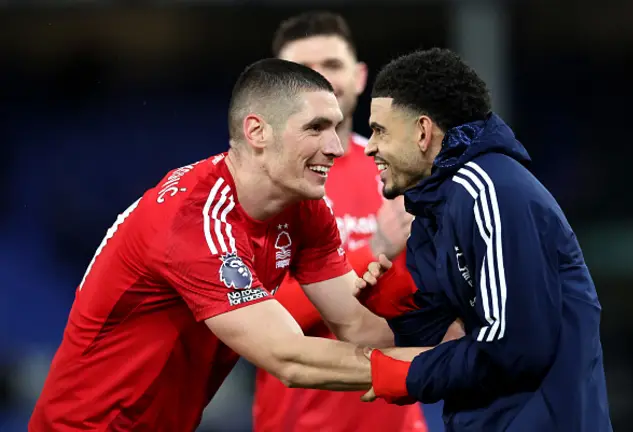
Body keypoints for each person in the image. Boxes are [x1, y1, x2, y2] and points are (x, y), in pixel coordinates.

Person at [28, 58, 397, 432]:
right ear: (256, 131)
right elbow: (290, 359)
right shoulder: (195, 219)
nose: (335, 146)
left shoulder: (306, 210)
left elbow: (357, 325)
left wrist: (444, 342)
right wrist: (427, 371)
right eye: (315, 128)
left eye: (335, 128)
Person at [357, 48, 612, 431]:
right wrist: (404, 307)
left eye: (380, 131)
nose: (370, 147)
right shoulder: (433, 208)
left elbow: (515, 346)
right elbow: (448, 340)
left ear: (423, 132)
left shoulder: (487, 189)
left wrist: (409, 375)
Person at [253, 12, 427, 432]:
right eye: (302, 70)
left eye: (331, 65)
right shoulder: (258, 188)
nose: (319, 80)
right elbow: (259, 315)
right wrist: (373, 250)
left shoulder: (405, 175)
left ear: (360, 76)